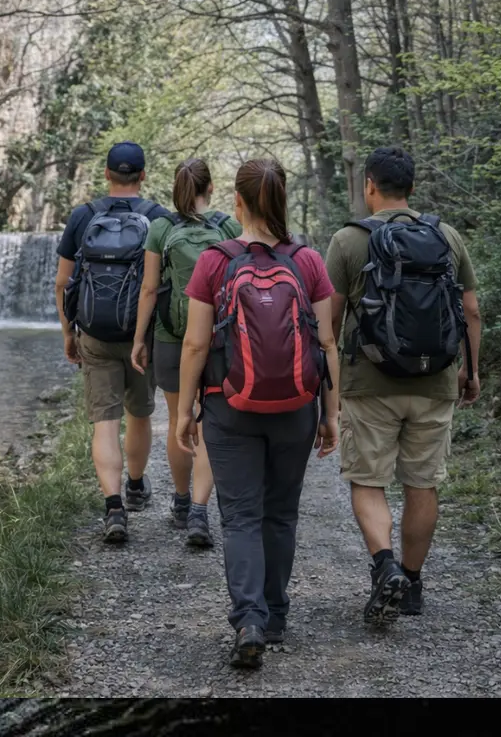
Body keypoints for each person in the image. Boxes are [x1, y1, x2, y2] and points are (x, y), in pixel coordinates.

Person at [175, 158, 340, 668]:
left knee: (240, 515)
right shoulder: (308, 261)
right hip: (297, 407)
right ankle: (274, 617)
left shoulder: (215, 261)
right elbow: (328, 342)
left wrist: (185, 410)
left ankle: (247, 618)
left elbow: (196, 344)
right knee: (281, 513)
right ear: (283, 199)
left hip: (230, 406)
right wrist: (331, 413)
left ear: (238, 202)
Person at [326, 146, 482, 623]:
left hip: (369, 382)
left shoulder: (349, 241)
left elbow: (328, 326)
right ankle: (411, 583)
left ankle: (384, 565)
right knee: (422, 483)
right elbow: (471, 310)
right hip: (434, 381)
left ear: (369, 185)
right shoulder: (446, 235)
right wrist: (470, 370)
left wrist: (327, 393)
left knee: (368, 480)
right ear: (411, 188)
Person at [54, 142, 170, 543]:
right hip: (141, 336)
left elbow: (62, 283)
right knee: (139, 415)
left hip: (95, 334)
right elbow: (160, 286)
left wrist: (70, 332)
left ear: (106, 174)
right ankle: (137, 486)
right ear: (142, 176)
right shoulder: (158, 219)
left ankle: (114, 507)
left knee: (105, 422)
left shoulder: (84, 216)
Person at [131, 158, 240, 547]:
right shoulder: (228, 227)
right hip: (218, 340)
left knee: (180, 419)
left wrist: (140, 338)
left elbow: (148, 289)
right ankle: (199, 509)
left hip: (172, 337)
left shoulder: (161, 229)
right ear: (210, 188)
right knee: (209, 425)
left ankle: (179, 502)